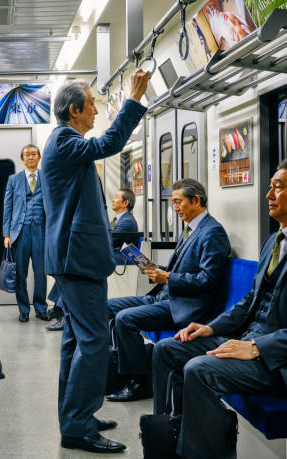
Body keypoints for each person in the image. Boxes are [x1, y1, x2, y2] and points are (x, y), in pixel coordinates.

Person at [42, 70, 150, 453]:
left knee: (76, 341)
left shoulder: (62, 141)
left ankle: (76, 418)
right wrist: (134, 99)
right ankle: (78, 428)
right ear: (74, 110)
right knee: (93, 340)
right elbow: (111, 141)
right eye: (92, 107)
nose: (96, 114)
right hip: (78, 260)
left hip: (74, 258)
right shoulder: (65, 141)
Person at [153, 160, 287, 459]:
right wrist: (211, 327)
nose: (269, 195)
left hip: (275, 358)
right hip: (247, 337)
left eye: (278, 187)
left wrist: (257, 347)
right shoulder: (273, 242)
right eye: (269, 187)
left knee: (198, 369)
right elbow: (250, 300)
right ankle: (166, 434)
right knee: (168, 349)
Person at [106, 178, 231, 402]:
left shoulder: (213, 233)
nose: (174, 208)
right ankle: (116, 369)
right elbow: (179, 271)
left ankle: (139, 382)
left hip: (183, 306)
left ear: (196, 200)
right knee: (109, 307)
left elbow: (208, 279)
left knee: (125, 319)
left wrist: (168, 277)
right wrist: (157, 270)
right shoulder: (190, 230)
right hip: (164, 296)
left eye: (178, 202)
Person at [3, 144, 49, 322]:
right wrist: (6, 234)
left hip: (41, 230)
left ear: (39, 157)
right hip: (19, 233)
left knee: (41, 273)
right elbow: (7, 208)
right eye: (27, 155)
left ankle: (41, 307)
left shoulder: (47, 178)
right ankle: (23, 309)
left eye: (33, 154)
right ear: (22, 159)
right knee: (20, 273)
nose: (30, 157)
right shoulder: (13, 180)